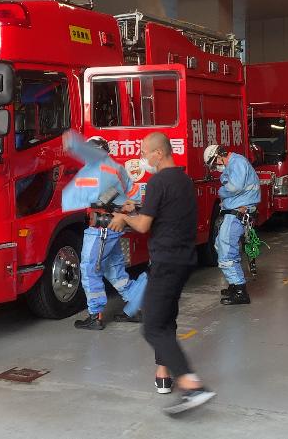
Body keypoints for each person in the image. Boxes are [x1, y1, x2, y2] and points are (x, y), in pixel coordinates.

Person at [109, 132, 215, 414]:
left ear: (158, 153)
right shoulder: (183, 179)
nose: (143, 158)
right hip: (183, 260)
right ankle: (169, 379)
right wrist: (137, 209)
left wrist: (123, 217)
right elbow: (166, 213)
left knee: (152, 327)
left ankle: (192, 387)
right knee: (165, 321)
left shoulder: (157, 181)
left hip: (166, 262)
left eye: (145, 152)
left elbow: (143, 226)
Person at [62, 130, 148, 330]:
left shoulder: (98, 168)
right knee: (114, 270)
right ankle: (139, 302)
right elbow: (136, 196)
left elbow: (88, 195)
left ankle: (95, 315)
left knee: (89, 268)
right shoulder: (117, 169)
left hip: (101, 228)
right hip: (112, 226)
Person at [203, 144, 261, 305]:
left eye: (215, 164)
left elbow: (233, 187)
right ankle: (234, 284)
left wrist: (221, 192)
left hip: (237, 213)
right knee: (220, 246)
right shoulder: (234, 164)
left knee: (227, 249)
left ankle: (240, 291)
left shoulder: (237, 163)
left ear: (218, 156)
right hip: (235, 212)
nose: (216, 168)